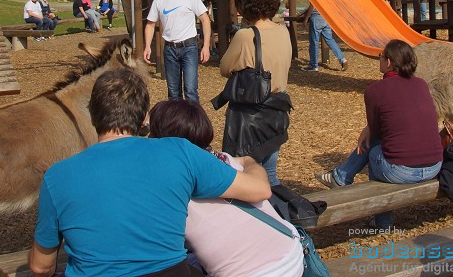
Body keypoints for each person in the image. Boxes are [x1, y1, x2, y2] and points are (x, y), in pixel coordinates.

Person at [28, 69, 272, 277]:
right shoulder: (179, 152)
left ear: (92, 114)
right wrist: (250, 162)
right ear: (145, 117)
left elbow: (41, 267)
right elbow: (259, 190)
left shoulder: (57, 176)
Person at [148, 100, 304, 277]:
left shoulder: (170, 185)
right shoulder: (224, 160)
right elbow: (261, 185)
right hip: (292, 254)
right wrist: (248, 161)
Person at [316, 39, 442, 228]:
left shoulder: (375, 90)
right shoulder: (421, 84)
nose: (379, 59)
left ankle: (382, 221)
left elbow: (377, 132)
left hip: (404, 171)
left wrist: (368, 130)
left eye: (381, 56)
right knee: (380, 145)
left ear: (389, 62)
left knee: (375, 149)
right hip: (434, 166)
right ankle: (340, 176)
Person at [220, 0, 292, 186]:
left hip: (250, 116)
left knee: (241, 176)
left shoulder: (246, 36)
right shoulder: (283, 31)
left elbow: (225, 68)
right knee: (269, 175)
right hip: (278, 109)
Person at [144, 0, 211, 102]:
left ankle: (194, 122)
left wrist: (206, 46)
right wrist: (147, 46)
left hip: (189, 47)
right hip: (169, 49)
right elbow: (150, 24)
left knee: (191, 90)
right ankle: (176, 122)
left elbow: (205, 19)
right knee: (173, 93)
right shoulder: (159, 0)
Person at [301, 3, 347, 72]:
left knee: (314, 42)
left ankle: (314, 65)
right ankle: (342, 59)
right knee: (330, 40)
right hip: (326, 17)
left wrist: (306, 18)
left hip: (317, 17)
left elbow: (312, 5)